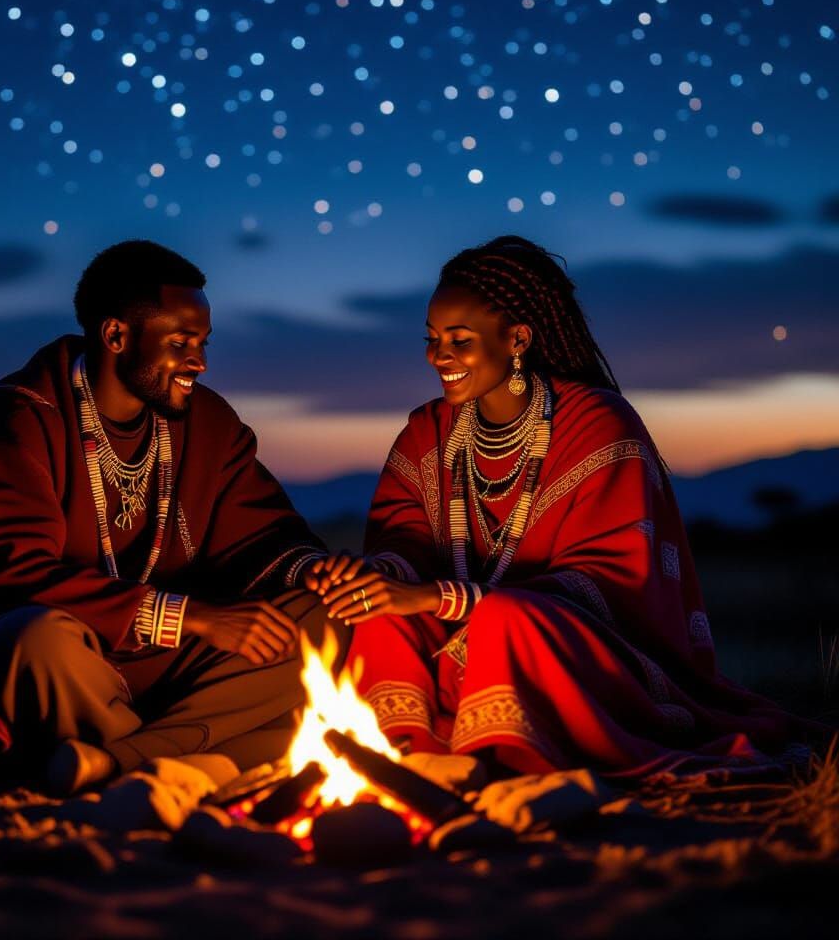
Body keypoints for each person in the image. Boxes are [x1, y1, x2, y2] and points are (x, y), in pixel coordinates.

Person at [307, 235, 807, 779]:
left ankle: (500, 757)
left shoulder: (598, 423)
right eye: (430, 339)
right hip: (455, 639)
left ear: (517, 338)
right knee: (377, 617)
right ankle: (404, 760)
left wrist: (446, 598)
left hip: (576, 651)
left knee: (505, 617)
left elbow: (609, 581)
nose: (438, 356)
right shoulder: (428, 431)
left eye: (458, 339)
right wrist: (373, 575)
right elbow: (404, 541)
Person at [0, 239, 339, 797]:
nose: (200, 361)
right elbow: (15, 573)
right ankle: (193, 760)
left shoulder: (207, 420)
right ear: (116, 336)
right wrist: (190, 617)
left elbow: (265, 535)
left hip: (157, 667)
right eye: (182, 343)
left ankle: (118, 763)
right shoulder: (20, 415)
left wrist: (318, 574)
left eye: (204, 344)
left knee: (323, 616)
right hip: (62, 660)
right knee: (37, 638)